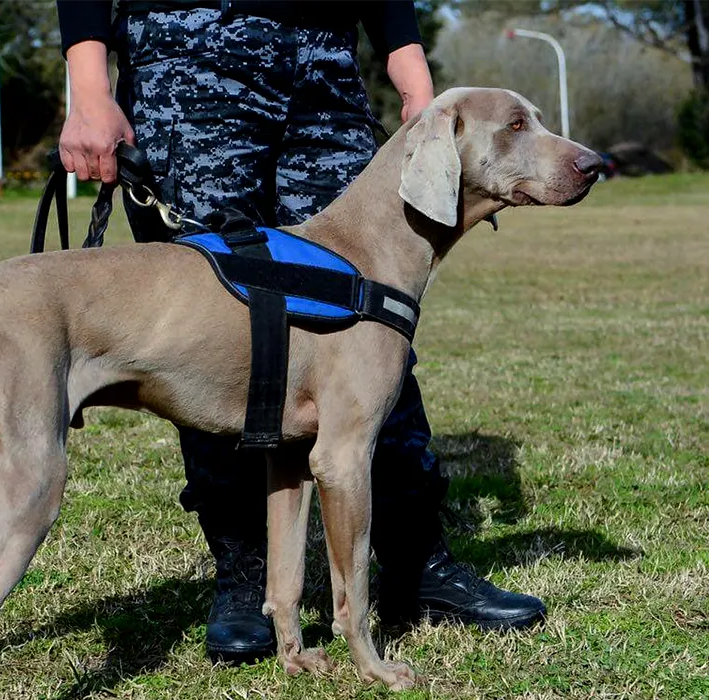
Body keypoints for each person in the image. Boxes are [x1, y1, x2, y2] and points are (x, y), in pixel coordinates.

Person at [56, 0, 547, 664]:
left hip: (324, 60)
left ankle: (415, 559)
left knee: (370, 313)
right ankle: (245, 575)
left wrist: (413, 80)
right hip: (190, 51)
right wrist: (88, 85)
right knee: (217, 323)